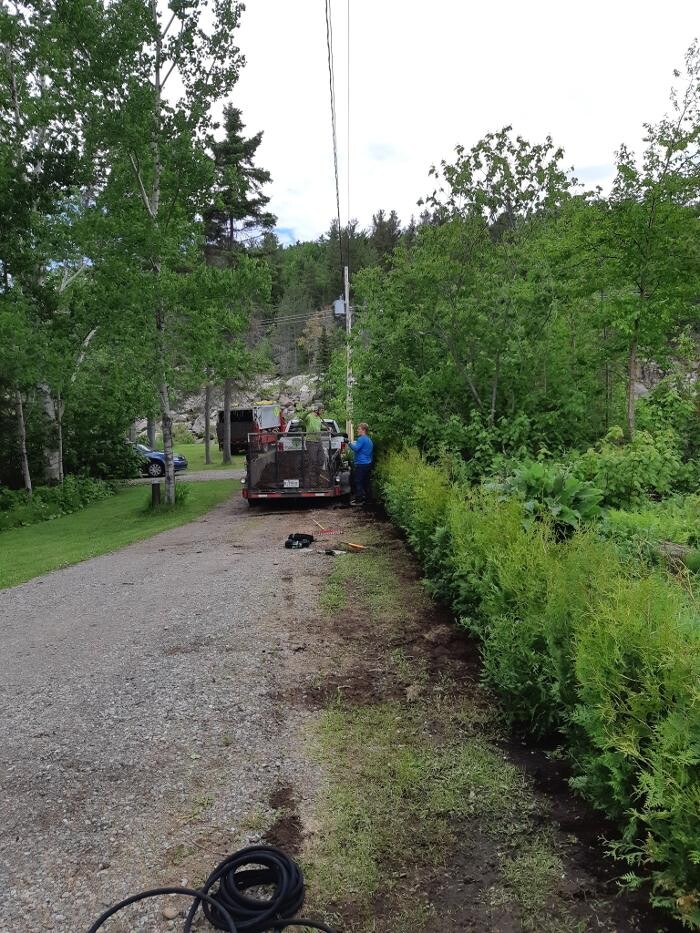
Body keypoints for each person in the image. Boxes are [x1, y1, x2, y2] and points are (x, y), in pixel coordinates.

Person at [348, 422, 373, 505]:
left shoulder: (361, 439)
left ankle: (359, 500)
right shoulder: (369, 440)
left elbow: (356, 448)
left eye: (359, 429)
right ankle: (368, 499)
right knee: (366, 482)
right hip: (368, 463)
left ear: (363, 430)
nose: (357, 430)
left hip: (361, 464)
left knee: (358, 481)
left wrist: (348, 443)